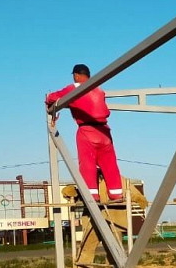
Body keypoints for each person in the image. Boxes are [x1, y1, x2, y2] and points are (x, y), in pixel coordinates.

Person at [46, 64, 124, 202]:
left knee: (87, 163)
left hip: (87, 130)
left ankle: (92, 195)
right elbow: (105, 110)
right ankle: (116, 193)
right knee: (110, 164)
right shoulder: (99, 90)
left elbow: (54, 97)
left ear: (76, 75)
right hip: (104, 131)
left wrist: (48, 101)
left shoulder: (74, 88)